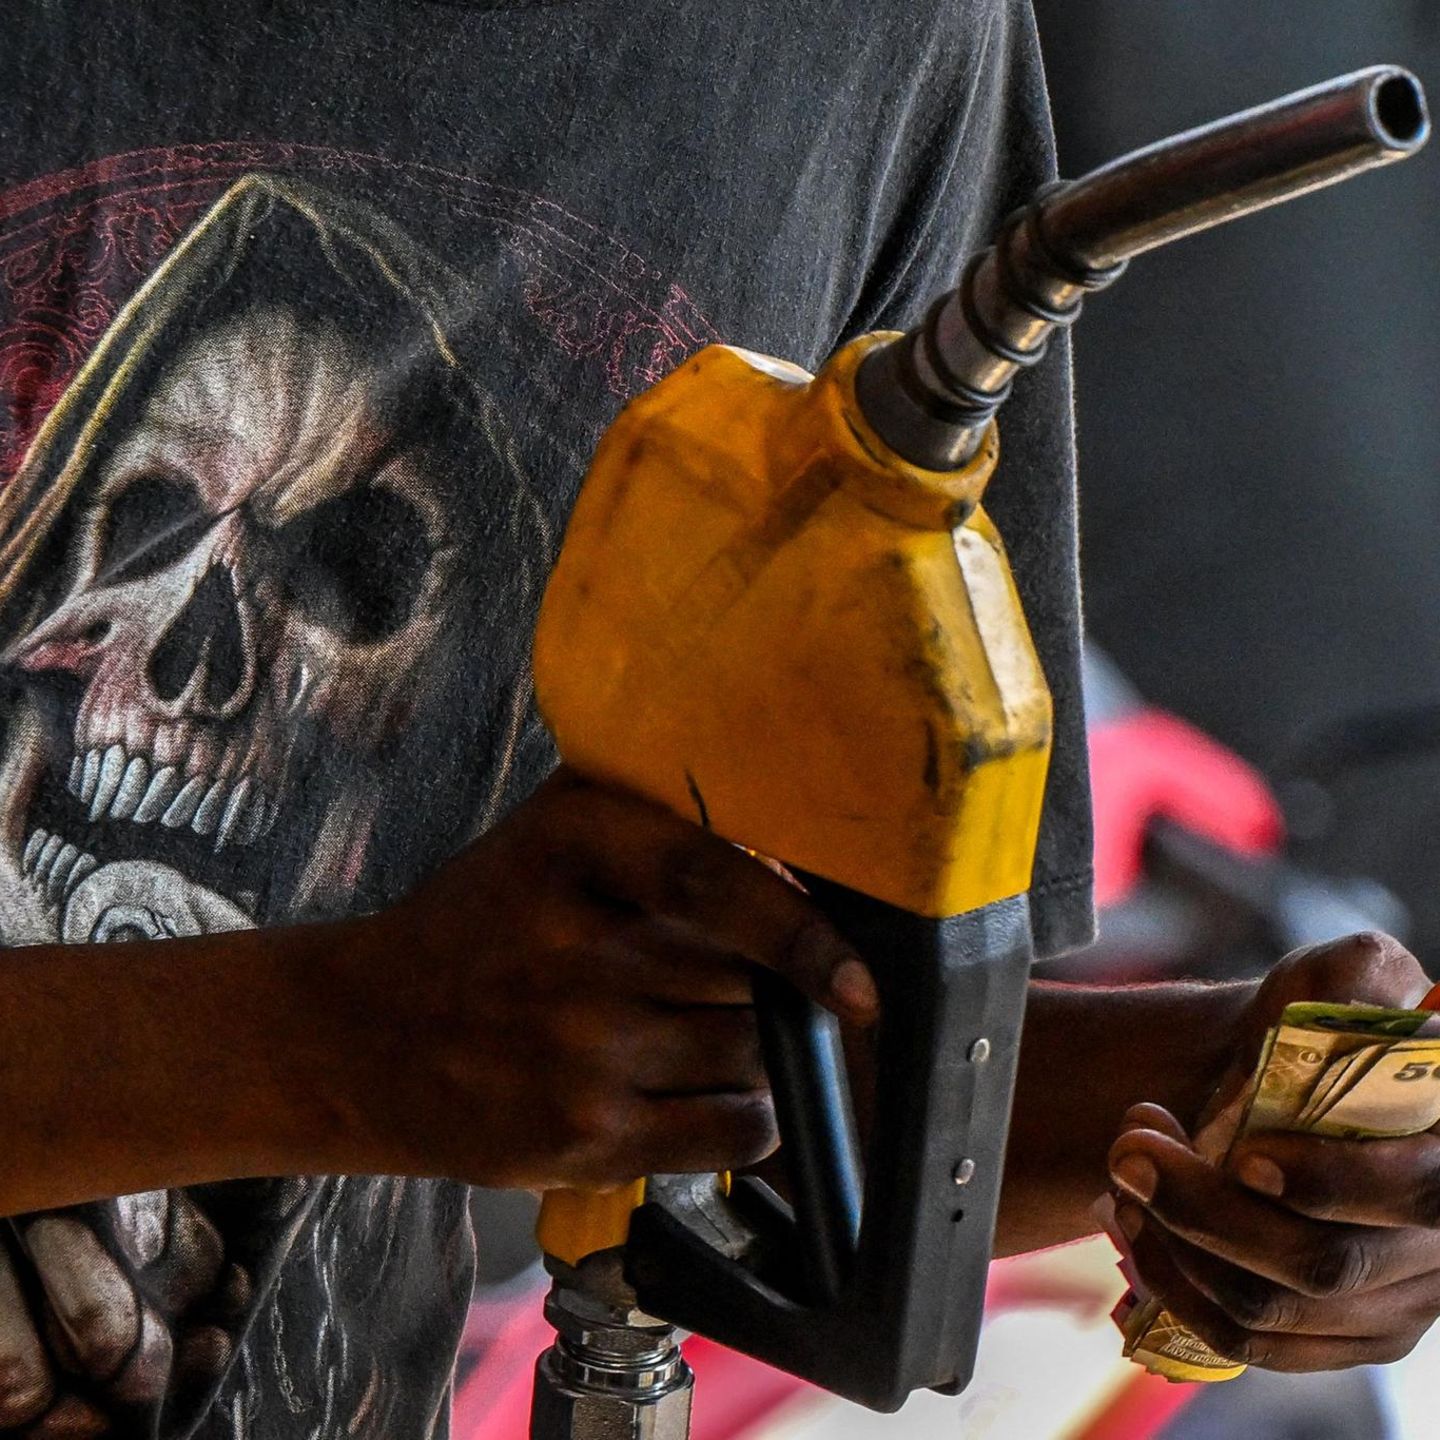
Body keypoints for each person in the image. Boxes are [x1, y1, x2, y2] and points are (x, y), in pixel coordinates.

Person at [0, 4, 1436, 1438]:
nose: (199, 660)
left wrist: (1223, 1119)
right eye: (151, 532)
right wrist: (319, 1042)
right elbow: (436, 1035)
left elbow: (734, 1054)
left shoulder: (883, 51)